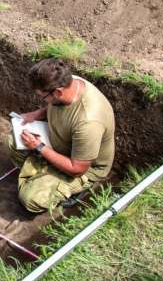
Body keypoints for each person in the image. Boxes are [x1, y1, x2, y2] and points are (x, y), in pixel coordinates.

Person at [6, 58, 115, 213]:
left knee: (30, 199)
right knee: (12, 142)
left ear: (57, 92)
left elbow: (77, 168)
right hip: (60, 143)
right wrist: (37, 114)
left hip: (82, 168)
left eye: (43, 96)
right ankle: (45, 173)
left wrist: (39, 147)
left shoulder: (88, 123)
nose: (42, 100)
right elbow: (54, 104)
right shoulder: (70, 82)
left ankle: (73, 189)